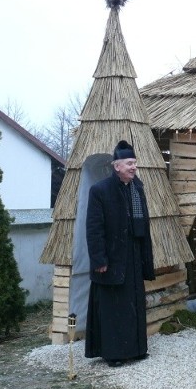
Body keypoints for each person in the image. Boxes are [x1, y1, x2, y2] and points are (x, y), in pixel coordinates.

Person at [84, 140, 155, 367]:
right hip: (111, 259)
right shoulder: (100, 191)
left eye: (134, 163)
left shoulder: (138, 188)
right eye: (129, 163)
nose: (133, 167)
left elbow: (143, 224)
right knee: (113, 307)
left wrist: (144, 257)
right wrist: (99, 259)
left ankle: (136, 349)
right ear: (117, 166)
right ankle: (113, 354)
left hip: (133, 255)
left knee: (133, 304)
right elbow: (94, 228)